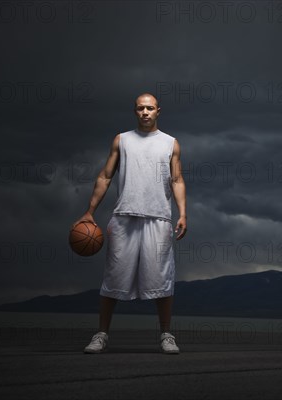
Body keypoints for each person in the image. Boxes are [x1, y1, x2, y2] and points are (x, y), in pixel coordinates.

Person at [71, 93, 187, 354]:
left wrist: (182, 213)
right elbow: (105, 176)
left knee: (162, 280)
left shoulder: (171, 143)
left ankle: (166, 335)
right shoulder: (121, 140)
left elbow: (177, 180)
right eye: (140, 109)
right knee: (113, 277)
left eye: (150, 108)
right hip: (124, 217)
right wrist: (89, 211)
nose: (145, 112)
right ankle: (101, 334)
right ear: (135, 111)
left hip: (158, 218)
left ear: (158, 111)